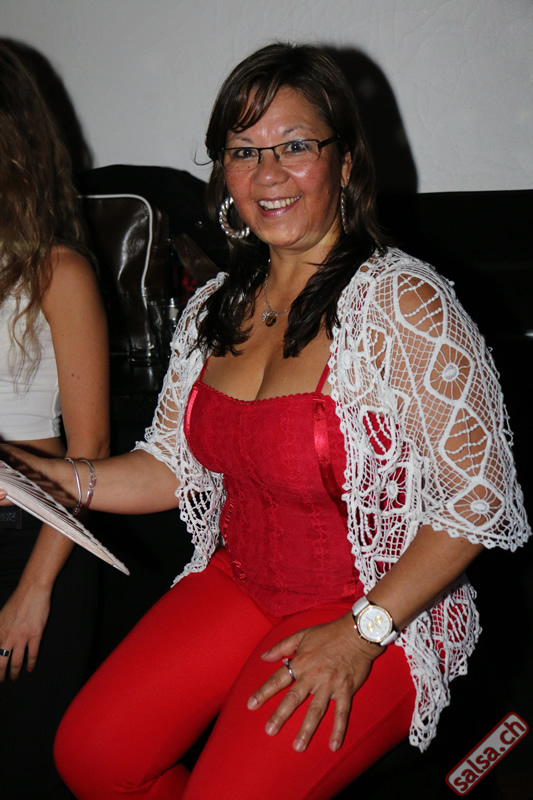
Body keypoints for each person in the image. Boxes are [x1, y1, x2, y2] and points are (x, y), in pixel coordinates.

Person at [1, 42, 530, 800]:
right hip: (243, 582)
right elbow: (168, 468)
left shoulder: (402, 304)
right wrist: (39, 476)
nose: (268, 173)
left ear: (345, 162)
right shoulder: (215, 306)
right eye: (244, 151)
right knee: (93, 758)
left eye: (295, 146)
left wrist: (362, 634)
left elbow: (478, 499)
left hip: (378, 607)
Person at [0, 43, 110, 798]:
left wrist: (35, 588)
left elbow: (92, 448)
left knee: (25, 767)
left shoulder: (57, 271)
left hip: (31, 542)